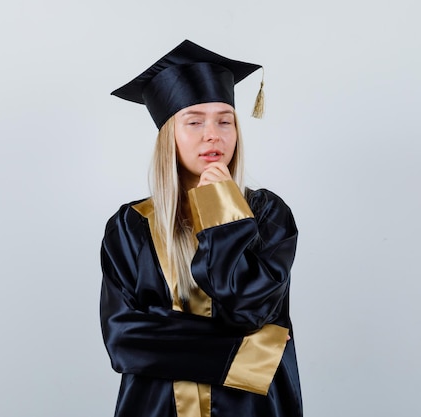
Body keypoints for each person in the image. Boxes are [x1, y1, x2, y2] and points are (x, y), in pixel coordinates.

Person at [100, 39, 303, 417]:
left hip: (252, 409)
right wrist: (249, 354)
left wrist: (221, 207)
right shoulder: (131, 226)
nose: (213, 134)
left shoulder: (268, 214)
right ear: (168, 137)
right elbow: (124, 340)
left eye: (225, 121)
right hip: (157, 408)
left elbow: (247, 310)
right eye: (194, 122)